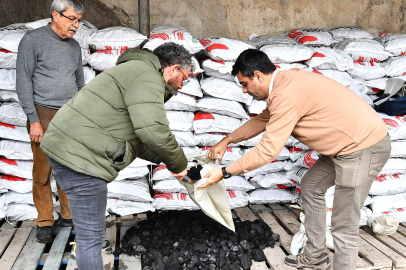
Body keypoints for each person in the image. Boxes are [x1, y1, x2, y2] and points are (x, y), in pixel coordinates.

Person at [202, 49, 390, 270]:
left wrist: (224, 172)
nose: (244, 91)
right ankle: (316, 254)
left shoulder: (284, 95)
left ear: (258, 76)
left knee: (344, 224)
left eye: (244, 83)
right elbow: (263, 120)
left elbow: (268, 150)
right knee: (311, 185)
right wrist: (228, 140)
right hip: (344, 148)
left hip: (363, 148)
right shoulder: (284, 83)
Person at [39, 42, 191, 269]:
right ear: (173, 69)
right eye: (184, 78)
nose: (182, 85)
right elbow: (152, 130)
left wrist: (165, 160)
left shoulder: (134, 71)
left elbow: (137, 137)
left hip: (67, 147)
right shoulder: (148, 77)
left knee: (88, 232)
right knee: (91, 239)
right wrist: (180, 165)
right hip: (82, 158)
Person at [16, 0, 85, 243]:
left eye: (79, 20)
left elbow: (80, 83)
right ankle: (45, 219)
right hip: (42, 113)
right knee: (43, 170)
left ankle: (68, 215)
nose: (76, 25)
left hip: (69, 114)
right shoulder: (33, 40)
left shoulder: (75, 47)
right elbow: (23, 81)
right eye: (71, 19)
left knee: (69, 168)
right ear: (56, 15)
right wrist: (33, 120)